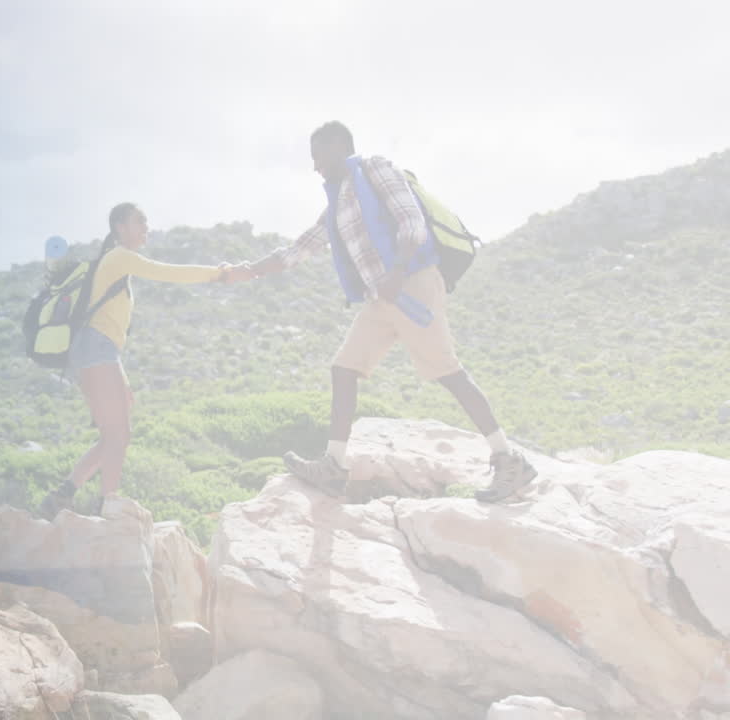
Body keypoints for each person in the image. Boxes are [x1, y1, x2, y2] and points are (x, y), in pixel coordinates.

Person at [224, 121, 536, 502]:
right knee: (344, 368)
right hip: (381, 298)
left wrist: (399, 271)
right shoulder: (337, 203)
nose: (315, 167)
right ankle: (333, 467)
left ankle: (509, 459)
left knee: (448, 372)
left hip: (413, 284)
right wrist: (249, 270)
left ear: (338, 146)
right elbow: (299, 249)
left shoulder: (376, 170)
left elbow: (412, 222)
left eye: (318, 156)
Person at [39, 203, 242, 519]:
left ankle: (62, 496)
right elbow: (167, 272)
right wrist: (218, 274)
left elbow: (109, 331)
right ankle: (108, 504)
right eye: (140, 221)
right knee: (119, 435)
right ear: (120, 226)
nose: (146, 226)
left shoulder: (117, 262)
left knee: (112, 435)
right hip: (95, 349)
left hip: (97, 352)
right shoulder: (120, 257)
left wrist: (123, 380)